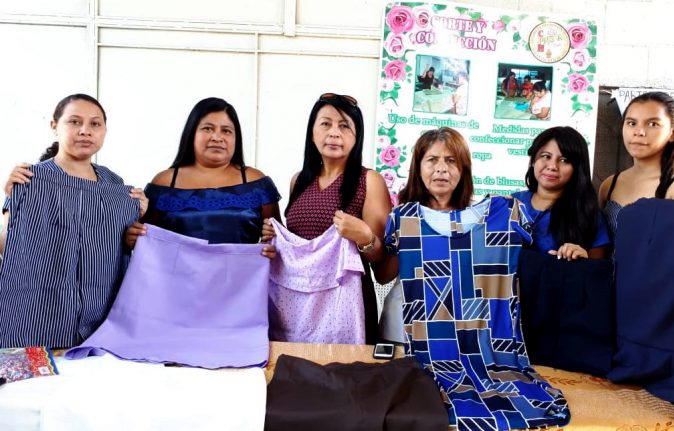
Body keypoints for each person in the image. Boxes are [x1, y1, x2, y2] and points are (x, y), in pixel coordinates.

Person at [376, 127, 570, 429]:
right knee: (413, 407)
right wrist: (367, 242)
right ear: (418, 167)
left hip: (486, 350)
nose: (441, 168)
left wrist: (571, 252)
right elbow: (384, 272)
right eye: (432, 160)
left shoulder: (501, 216)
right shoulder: (403, 218)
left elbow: (535, 257)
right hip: (406, 335)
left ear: (464, 168)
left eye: (451, 160)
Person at [0, 94, 147, 348]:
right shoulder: (30, 179)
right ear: (54, 126)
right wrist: (14, 199)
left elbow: (122, 243)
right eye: (74, 122)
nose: (85, 131)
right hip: (41, 315)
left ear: (104, 131)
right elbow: (6, 246)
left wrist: (137, 216)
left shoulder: (115, 184)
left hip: (101, 315)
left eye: (95, 124)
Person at [262, 92, 391, 344]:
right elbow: (299, 249)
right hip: (298, 307)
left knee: (344, 368)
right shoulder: (299, 180)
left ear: (357, 136)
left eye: (344, 126)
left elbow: (383, 264)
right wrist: (272, 238)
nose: (334, 133)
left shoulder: (369, 181)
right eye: (325, 124)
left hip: (347, 307)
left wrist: (365, 238)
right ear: (312, 133)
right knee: (294, 367)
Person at [125, 97, 281, 250]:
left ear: (236, 138)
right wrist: (133, 237)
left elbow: (280, 242)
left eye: (226, 131)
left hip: (243, 268)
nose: (217, 137)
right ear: (192, 133)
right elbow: (146, 242)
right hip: (176, 269)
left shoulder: (257, 183)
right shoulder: (165, 182)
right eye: (208, 128)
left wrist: (271, 243)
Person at [599, 91, 674, 237]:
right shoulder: (609, 185)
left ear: (673, 132)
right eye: (631, 123)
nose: (639, 132)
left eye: (653, 124)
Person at [512, 126, 610, 260]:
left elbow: (598, 268)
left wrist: (582, 258)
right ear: (533, 160)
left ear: (577, 168)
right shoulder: (511, 204)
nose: (552, 166)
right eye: (546, 156)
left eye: (564, 160)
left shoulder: (588, 214)